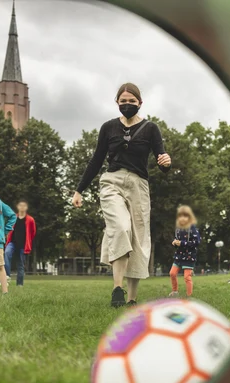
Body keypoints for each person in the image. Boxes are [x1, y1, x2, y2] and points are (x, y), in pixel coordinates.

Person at [71, 82, 172, 307]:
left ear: (140, 103)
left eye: (132, 101)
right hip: (112, 181)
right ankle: (117, 288)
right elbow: (97, 160)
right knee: (120, 227)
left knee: (138, 238)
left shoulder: (150, 128)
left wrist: (166, 163)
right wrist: (79, 190)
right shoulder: (108, 127)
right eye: (123, 101)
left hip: (138, 185)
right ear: (117, 102)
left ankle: (132, 299)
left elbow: (161, 159)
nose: (127, 105)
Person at [169, 205, 200, 298]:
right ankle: (175, 291)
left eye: (185, 216)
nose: (183, 218)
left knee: (187, 277)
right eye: (180, 216)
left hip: (189, 256)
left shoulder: (193, 229)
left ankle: (189, 296)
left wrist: (182, 243)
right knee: (172, 273)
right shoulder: (178, 229)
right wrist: (175, 242)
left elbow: (196, 242)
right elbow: (177, 239)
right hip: (179, 255)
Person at [4, 200, 36, 287]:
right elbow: (8, 228)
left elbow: (33, 232)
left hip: (23, 245)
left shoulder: (30, 220)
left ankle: (19, 284)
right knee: (6, 253)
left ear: (26, 208)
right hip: (12, 243)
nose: (22, 207)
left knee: (20, 265)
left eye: (24, 206)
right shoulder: (13, 218)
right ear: (17, 207)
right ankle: (7, 276)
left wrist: (28, 241)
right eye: (20, 205)